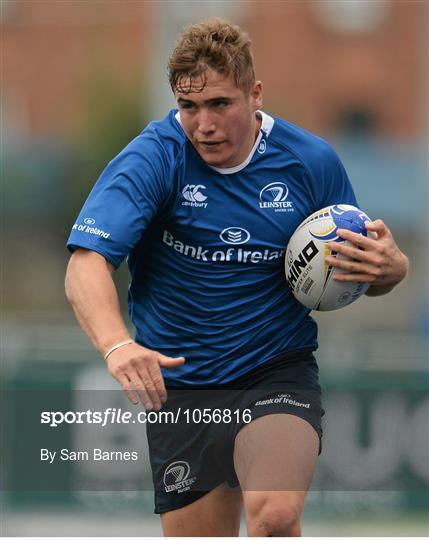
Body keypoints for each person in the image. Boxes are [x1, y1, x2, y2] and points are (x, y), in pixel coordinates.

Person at [65, 18, 409, 537]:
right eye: (189, 107)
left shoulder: (309, 162)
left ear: (255, 95)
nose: (203, 123)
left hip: (274, 368)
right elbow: (86, 263)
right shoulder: (154, 157)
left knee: (274, 516)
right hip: (179, 385)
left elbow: (360, 267)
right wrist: (117, 345)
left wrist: (393, 268)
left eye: (220, 104)